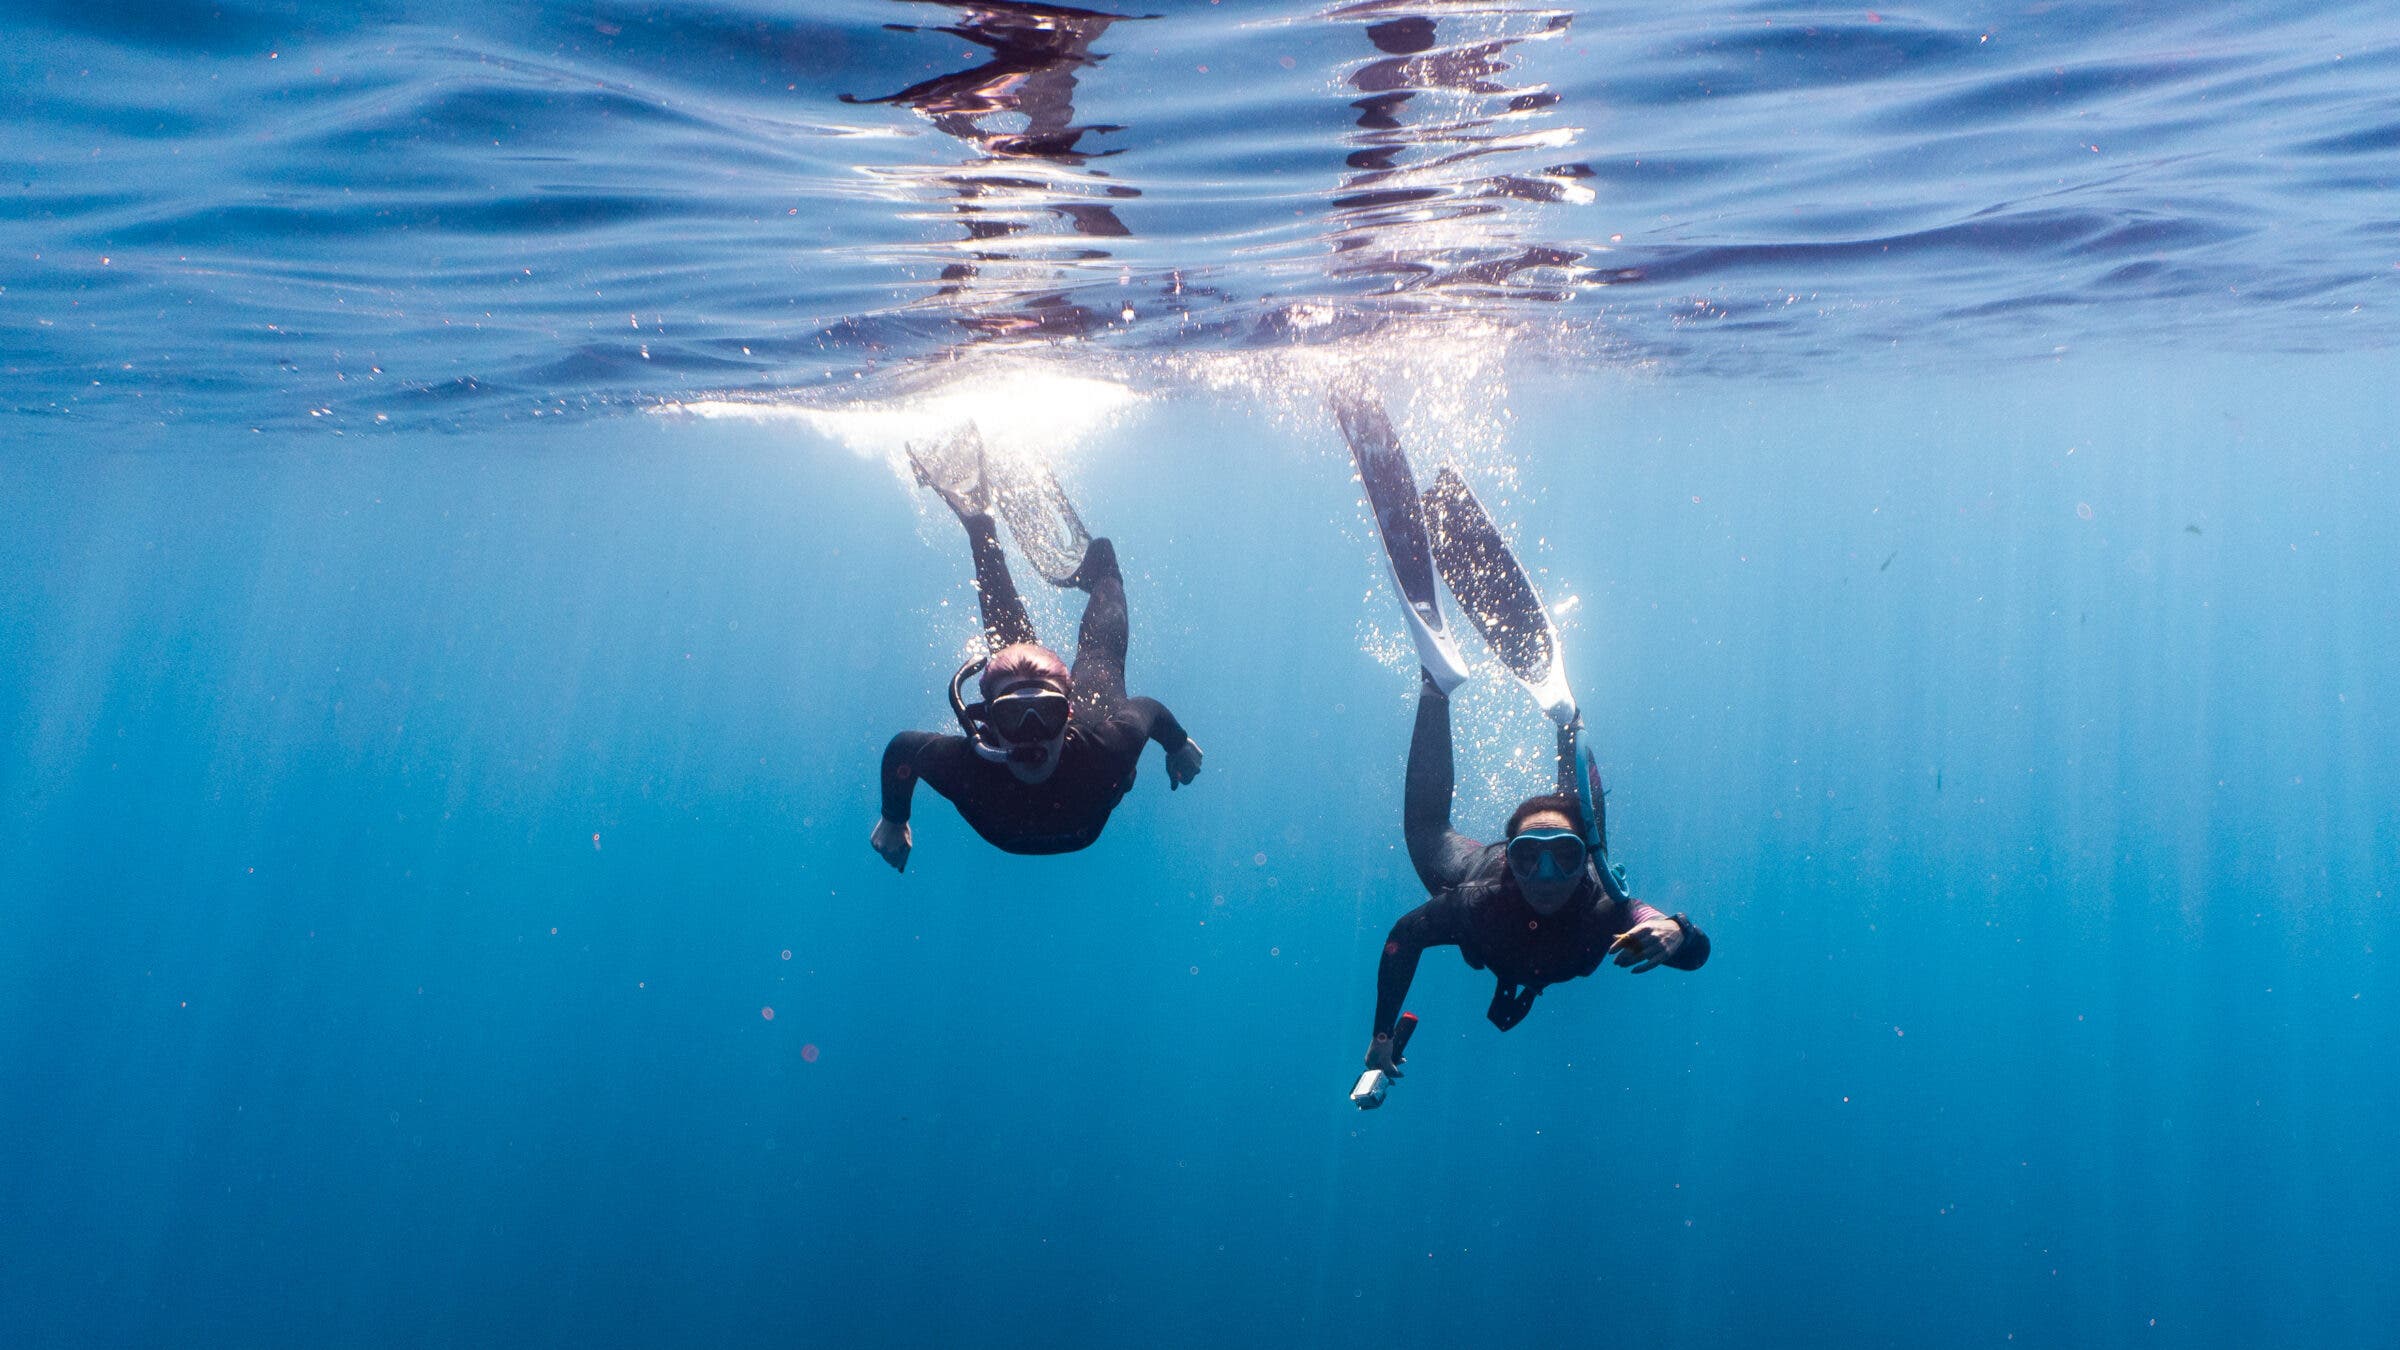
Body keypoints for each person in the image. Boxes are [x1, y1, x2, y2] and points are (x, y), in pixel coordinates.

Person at [871, 427, 1201, 867]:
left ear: (1064, 712)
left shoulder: (1103, 749)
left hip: (1087, 720)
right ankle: (992, 525)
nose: (1029, 732)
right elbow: (902, 751)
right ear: (987, 720)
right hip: (1083, 733)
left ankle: (1023, 538)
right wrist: (1177, 745)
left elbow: (903, 750)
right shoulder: (973, 766)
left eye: (1042, 712)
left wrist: (1177, 742)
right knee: (1064, 652)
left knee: (1081, 652)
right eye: (1011, 714)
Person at [1360, 669, 1711, 1082]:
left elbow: (1686, 950)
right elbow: (1406, 935)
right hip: (1477, 867)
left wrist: (1675, 928)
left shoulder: (1602, 906)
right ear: (1511, 858)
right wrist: (1382, 1032)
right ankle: (1457, 691)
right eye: (1528, 856)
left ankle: (1554, 719)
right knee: (1427, 833)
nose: (1546, 876)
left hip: (1577, 867)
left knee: (1573, 822)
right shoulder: (1477, 899)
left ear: (1583, 861)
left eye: (1564, 854)